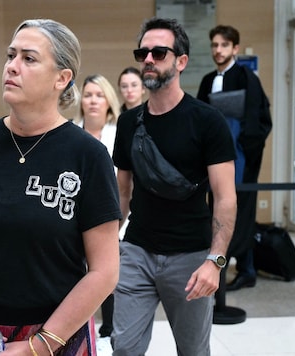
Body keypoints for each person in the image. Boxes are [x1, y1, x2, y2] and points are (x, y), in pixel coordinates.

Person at [0, 18, 121, 356]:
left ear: (62, 78)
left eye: (29, 58)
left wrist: (40, 345)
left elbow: (105, 271)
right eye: (11, 56)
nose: (12, 67)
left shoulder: (88, 155)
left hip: (59, 336)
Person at [111, 17, 237, 355]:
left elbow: (225, 198)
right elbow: (122, 193)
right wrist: (107, 246)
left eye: (159, 52)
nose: (148, 59)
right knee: (123, 348)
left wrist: (215, 261)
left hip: (191, 258)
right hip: (136, 252)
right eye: (143, 53)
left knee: (193, 351)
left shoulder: (207, 121)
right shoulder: (128, 123)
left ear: (181, 61)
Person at [197, 25, 272, 292]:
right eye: (215, 45)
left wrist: (241, 150)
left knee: (239, 210)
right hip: (212, 159)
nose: (218, 50)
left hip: (239, 159)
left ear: (235, 48)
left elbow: (259, 121)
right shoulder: (207, 80)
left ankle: (246, 268)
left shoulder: (247, 78)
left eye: (224, 45)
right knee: (215, 209)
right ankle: (220, 265)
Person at [73, 74, 120, 351]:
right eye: (88, 94)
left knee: (108, 277)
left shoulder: (119, 133)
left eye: (99, 95)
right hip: (75, 220)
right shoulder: (69, 131)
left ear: (108, 101)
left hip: (113, 220)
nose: (93, 100)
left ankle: (110, 331)